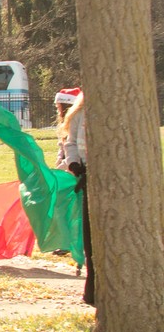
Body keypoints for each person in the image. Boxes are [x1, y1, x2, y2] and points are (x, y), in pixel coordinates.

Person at [63, 90, 94, 306]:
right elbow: (70, 142)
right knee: (89, 235)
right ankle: (92, 287)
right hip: (86, 175)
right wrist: (74, 164)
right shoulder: (78, 114)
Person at [53, 87, 81, 170]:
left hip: (75, 166)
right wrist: (59, 158)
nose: (57, 111)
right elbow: (63, 145)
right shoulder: (64, 124)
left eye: (59, 107)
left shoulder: (75, 124)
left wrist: (62, 166)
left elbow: (74, 148)